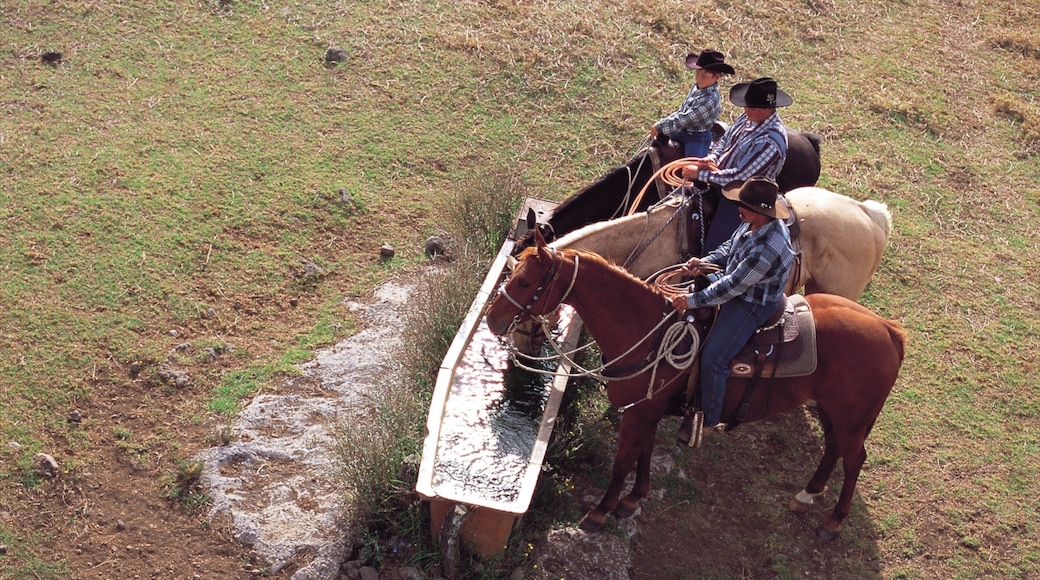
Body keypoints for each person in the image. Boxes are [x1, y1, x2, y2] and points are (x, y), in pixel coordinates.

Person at [670, 177, 794, 442]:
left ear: (761, 212)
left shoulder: (770, 247)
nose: (739, 208)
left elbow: (733, 287)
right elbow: (730, 248)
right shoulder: (752, 223)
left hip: (751, 303)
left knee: (714, 357)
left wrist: (692, 300)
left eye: (744, 206)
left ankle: (710, 419)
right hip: (736, 286)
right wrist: (703, 262)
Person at [680, 77, 792, 253]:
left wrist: (699, 175)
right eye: (746, 106)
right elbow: (725, 139)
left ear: (769, 109)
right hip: (721, 179)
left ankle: (707, 272)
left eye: (752, 107)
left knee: (715, 246)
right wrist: (712, 158)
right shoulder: (748, 117)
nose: (746, 110)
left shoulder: (772, 141)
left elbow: (740, 177)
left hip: (744, 197)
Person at [649, 49, 735, 158]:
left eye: (704, 75)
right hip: (683, 130)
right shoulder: (697, 87)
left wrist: (661, 125)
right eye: (698, 73)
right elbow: (682, 110)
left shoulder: (709, 99)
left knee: (691, 166)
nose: (699, 78)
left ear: (716, 77)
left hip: (698, 136)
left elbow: (685, 118)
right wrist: (663, 123)